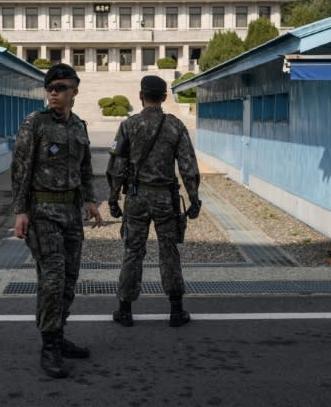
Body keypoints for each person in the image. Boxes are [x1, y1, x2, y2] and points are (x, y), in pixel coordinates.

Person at [11, 63, 102, 379]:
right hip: (42, 213)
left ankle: (59, 336)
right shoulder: (34, 123)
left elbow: (86, 167)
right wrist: (20, 212)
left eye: (60, 87)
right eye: (50, 87)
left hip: (72, 214)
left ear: (74, 91)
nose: (53, 92)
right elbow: (21, 169)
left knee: (68, 280)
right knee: (52, 279)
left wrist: (91, 200)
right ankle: (49, 347)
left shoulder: (79, 126)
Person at [107, 75, 202, 328]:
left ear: (140, 96)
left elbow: (117, 166)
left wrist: (113, 198)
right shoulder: (175, 126)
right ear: (164, 98)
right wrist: (194, 199)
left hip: (137, 197)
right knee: (169, 251)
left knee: (133, 251)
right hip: (165, 199)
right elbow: (188, 166)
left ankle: (125, 310)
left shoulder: (129, 125)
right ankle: (176, 310)